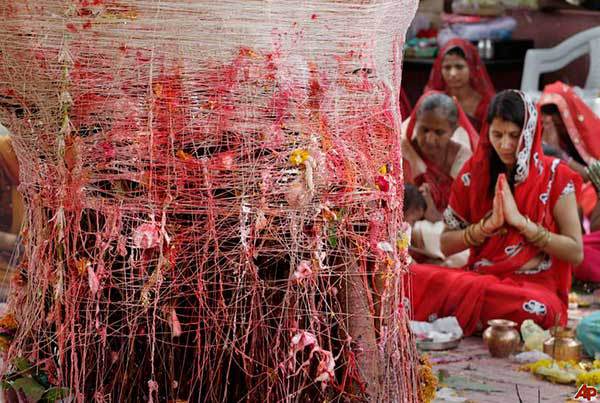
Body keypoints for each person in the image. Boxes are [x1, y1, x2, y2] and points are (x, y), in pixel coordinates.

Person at [409, 90, 583, 335]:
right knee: (412, 276)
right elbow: (446, 244)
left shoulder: (556, 175)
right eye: (497, 134)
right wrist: (485, 227)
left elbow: (575, 252)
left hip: (535, 289)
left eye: (514, 136)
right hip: (479, 278)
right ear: (487, 132)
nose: (505, 144)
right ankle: (469, 315)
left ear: (531, 133)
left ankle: (458, 315)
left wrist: (522, 224)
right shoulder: (473, 175)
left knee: (538, 309)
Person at [402, 92, 477, 265]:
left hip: (452, 230)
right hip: (413, 228)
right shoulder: (405, 151)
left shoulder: (463, 157)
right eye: (424, 130)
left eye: (439, 132)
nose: (430, 139)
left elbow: (468, 214)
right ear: (416, 124)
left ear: (453, 130)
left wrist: (436, 215)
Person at [424, 38, 495, 132]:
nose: (453, 73)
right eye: (447, 67)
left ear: (472, 68)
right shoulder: (435, 100)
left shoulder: (486, 104)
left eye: (459, 67)